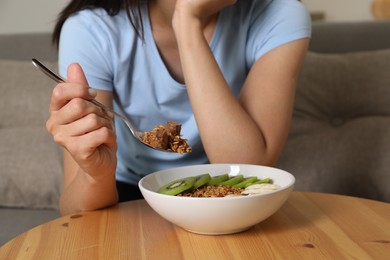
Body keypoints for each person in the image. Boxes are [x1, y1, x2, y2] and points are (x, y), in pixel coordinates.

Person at [48, 0, 311, 215]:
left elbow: (247, 166)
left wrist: (187, 21)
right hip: (125, 189)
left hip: (225, 187)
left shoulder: (281, 14)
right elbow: (73, 210)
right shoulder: (91, 27)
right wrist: (98, 174)